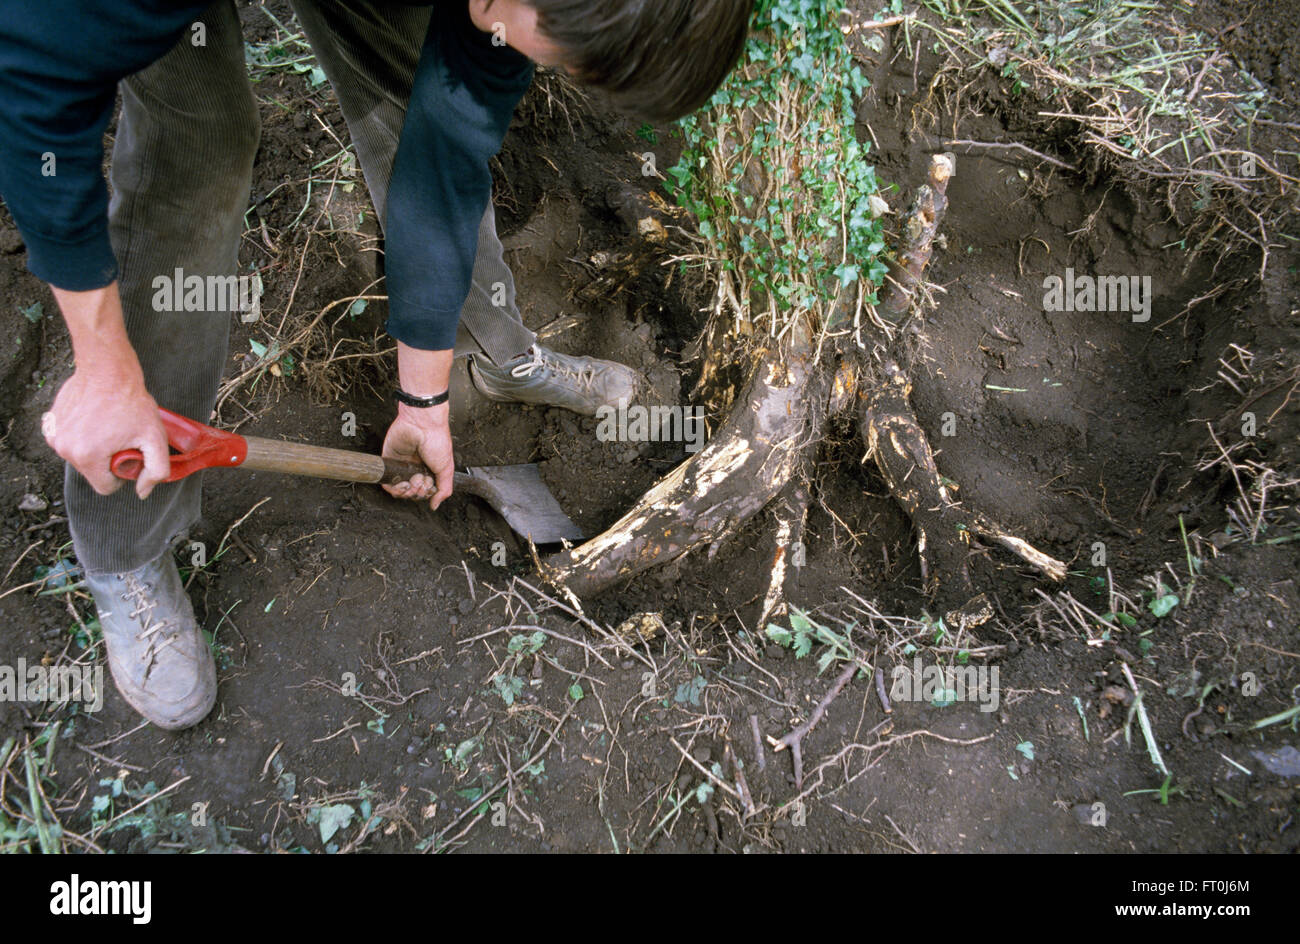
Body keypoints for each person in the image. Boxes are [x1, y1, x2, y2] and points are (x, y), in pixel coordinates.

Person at [0, 0, 752, 730]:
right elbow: (36, 96)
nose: (543, 70)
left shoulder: (508, 15)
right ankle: (125, 537)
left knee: (415, 90)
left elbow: (449, 144)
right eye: (560, 56)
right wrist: (103, 370)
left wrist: (423, 402)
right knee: (200, 142)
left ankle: (496, 360)